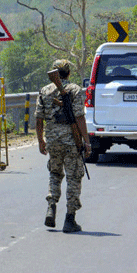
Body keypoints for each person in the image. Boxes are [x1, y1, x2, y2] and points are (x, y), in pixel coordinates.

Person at [35, 59, 91, 233]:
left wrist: (40, 140)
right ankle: (70, 218)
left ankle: (51, 206)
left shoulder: (45, 90)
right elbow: (79, 117)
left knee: (55, 173)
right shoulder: (74, 89)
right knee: (73, 177)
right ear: (68, 73)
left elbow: (38, 118)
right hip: (71, 142)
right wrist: (87, 141)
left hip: (53, 141)